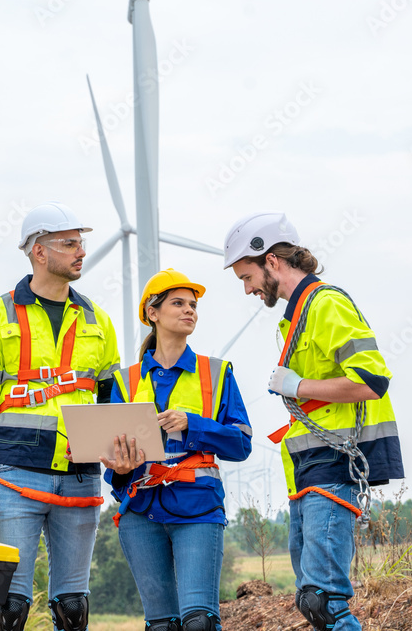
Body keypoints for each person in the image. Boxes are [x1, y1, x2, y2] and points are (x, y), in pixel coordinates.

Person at [222, 212, 404, 631]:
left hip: (335, 462)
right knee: (312, 602)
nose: (248, 289)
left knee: (324, 601)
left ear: (271, 261)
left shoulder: (325, 305)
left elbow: (372, 380)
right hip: (308, 468)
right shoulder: (297, 316)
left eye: (246, 277)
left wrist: (300, 385)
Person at [0, 201, 121, 631]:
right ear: (39, 252)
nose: (80, 252)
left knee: (73, 607)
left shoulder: (98, 320)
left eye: (81, 244)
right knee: (10, 606)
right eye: (69, 244)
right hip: (15, 475)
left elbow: (113, 404)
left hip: (80, 474)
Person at [101, 268, 252, 631]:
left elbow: (241, 443)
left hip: (198, 509)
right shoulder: (125, 379)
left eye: (193, 305)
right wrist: (120, 469)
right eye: (178, 303)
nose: (190, 311)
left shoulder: (216, 373)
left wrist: (193, 424)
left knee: (199, 622)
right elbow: (115, 468)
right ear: (152, 313)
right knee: (162, 626)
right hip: (140, 513)